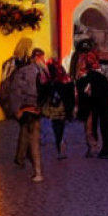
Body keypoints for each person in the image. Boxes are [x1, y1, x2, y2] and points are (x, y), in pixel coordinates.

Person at [13, 49, 49, 180]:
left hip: (28, 110)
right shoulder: (41, 71)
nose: (43, 60)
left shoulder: (31, 71)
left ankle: (24, 161)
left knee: (29, 137)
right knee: (31, 138)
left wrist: (17, 110)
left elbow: (16, 91)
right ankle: (31, 166)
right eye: (41, 57)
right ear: (36, 57)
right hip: (32, 110)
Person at [77, 53, 108, 159]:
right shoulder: (102, 76)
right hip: (104, 105)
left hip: (93, 105)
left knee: (92, 128)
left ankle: (96, 148)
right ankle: (106, 149)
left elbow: (84, 92)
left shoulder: (87, 78)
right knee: (105, 127)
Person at [42, 60, 74, 160]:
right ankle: (60, 145)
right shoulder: (66, 81)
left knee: (56, 128)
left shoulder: (50, 83)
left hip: (54, 109)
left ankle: (59, 145)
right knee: (60, 127)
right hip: (63, 109)